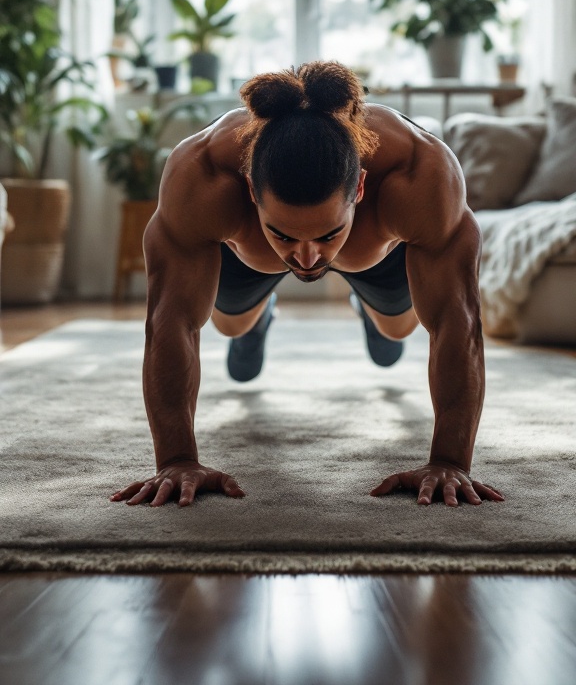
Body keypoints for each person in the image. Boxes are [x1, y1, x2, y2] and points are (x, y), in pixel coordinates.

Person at [110, 61, 504, 511]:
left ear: (359, 188)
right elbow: (171, 321)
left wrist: (451, 461)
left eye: (326, 235)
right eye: (285, 234)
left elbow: (458, 321)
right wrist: (177, 460)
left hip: (380, 254)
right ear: (252, 191)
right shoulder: (202, 176)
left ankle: (370, 315)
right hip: (247, 255)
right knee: (232, 326)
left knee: (397, 330)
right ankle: (259, 320)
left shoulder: (418, 174)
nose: (307, 258)